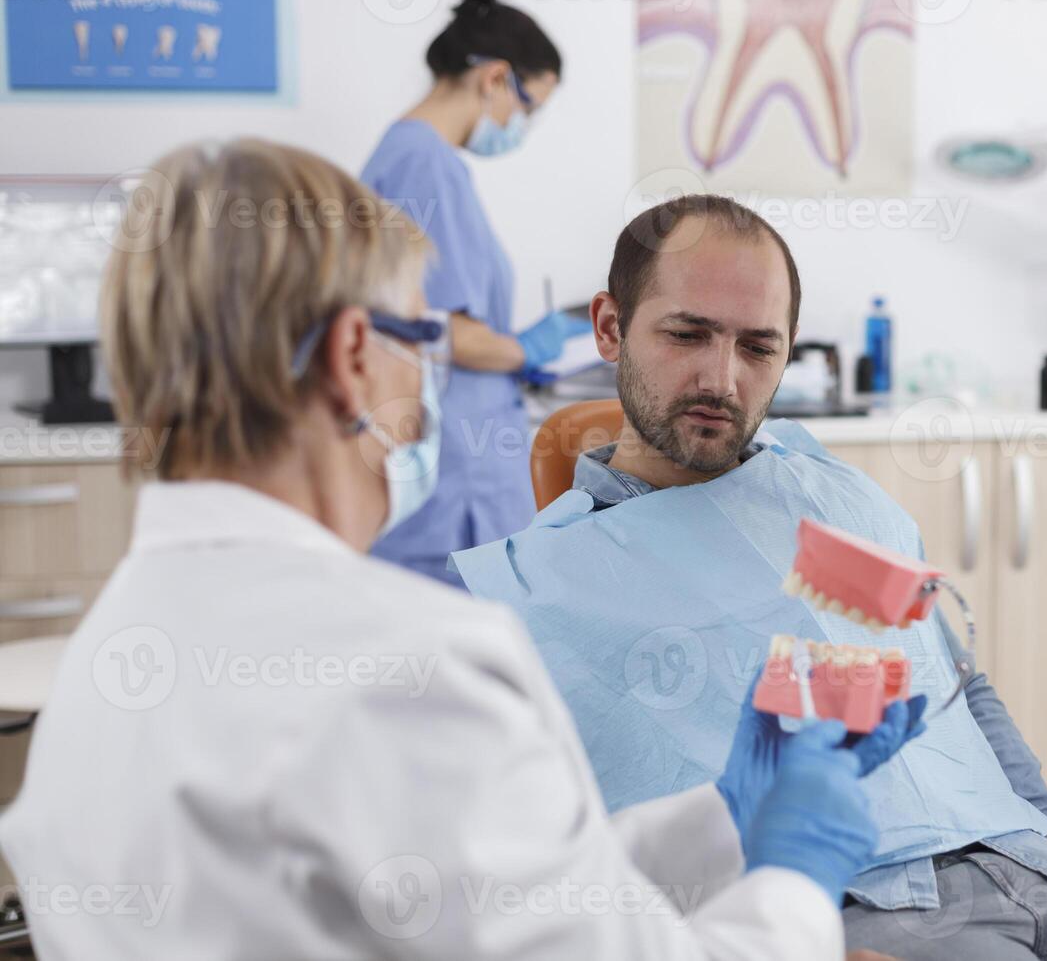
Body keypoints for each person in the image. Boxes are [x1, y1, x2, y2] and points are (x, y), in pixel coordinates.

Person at [0, 141, 925, 958]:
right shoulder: (407, 668)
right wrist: (796, 878)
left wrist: (726, 813)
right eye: (422, 337)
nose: (430, 377)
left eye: (759, 346)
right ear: (353, 356)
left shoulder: (109, 653)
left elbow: (501, 890)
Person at [449, 195, 1047, 961]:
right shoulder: (536, 587)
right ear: (610, 326)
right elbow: (564, 878)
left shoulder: (830, 498)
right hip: (877, 915)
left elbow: (959, 687)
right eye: (687, 334)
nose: (720, 379)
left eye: (759, 348)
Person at [360, 0, 588, 584]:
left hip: (456, 457)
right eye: (530, 106)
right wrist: (522, 349)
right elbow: (441, 329)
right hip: (456, 475)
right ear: (494, 79)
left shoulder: (415, 157)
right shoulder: (423, 161)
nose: (523, 124)